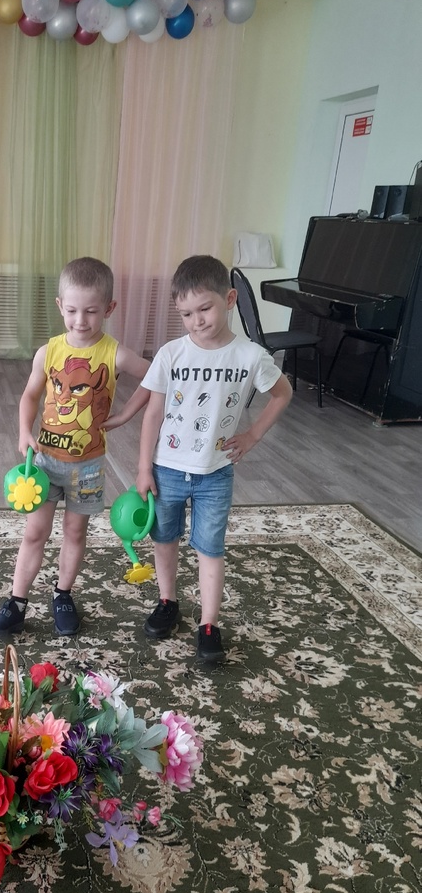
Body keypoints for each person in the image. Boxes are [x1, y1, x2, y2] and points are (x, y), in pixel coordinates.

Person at [133, 254, 293, 663]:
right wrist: (143, 467)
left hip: (216, 474)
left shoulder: (250, 356)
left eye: (204, 309)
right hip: (167, 469)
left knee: (210, 548)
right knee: (164, 539)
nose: (196, 321)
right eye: (186, 314)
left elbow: (283, 393)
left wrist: (253, 435)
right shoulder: (171, 354)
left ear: (230, 299)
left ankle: (208, 624)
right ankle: (168, 602)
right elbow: (153, 413)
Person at [0, 256, 150, 638]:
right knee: (34, 533)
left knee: (75, 533)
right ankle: (17, 602)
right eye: (72, 310)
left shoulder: (115, 353)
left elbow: (156, 376)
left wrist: (126, 415)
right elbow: (29, 395)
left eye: (91, 311)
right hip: (44, 463)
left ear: (109, 308)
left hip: (88, 468)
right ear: (60, 306)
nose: (81, 320)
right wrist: (23, 431)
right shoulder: (49, 351)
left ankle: (62, 595)